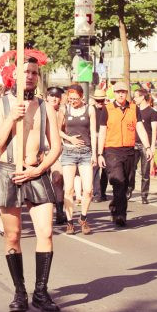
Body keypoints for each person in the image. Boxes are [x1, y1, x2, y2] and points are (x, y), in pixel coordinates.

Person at [0, 56, 61, 312]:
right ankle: (20, 292)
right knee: (13, 236)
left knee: (46, 233)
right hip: (8, 172)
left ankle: (41, 292)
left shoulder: (45, 106)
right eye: (25, 71)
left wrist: (39, 169)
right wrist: (10, 118)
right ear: (14, 76)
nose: (29, 76)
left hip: (36, 173)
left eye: (34, 72)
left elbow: (56, 146)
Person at [97, 81, 152, 227]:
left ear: (127, 93)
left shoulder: (134, 108)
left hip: (129, 151)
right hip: (112, 151)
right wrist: (99, 153)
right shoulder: (107, 109)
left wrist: (147, 147)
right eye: (118, 92)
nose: (121, 94)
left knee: (126, 184)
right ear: (114, 93)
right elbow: (102, 131)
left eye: (123, 92)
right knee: (118, 181)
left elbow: (140, 128)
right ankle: (121, 215)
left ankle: (115, 206)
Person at [59, 85, 96, 235]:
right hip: (69, 152)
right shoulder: (64, 109)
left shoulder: (90, 110)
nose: (72, 101)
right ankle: (69, 222)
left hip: (86, 152)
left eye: (75, 98)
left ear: (82, 97)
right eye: (70, 98)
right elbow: (57, 130)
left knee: (88, 190)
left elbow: (93, 132)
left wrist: (95, 153)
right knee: (69, 189)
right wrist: (70, 139)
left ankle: (83, 218)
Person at [130, 89, 157, 204]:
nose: (134, 99)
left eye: (136, 97)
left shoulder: (152, 112)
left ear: (142, 97)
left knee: (145, 172)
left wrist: (152, 147)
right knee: (130, 170)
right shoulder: (133, 110)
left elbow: (154, 130)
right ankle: (129, 189)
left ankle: (144, 195)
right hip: (133, 144)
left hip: (144, 146)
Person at [46, 86, 66, 224]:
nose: (54, 98)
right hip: (40, 149)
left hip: (57, 149)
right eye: (51, 96)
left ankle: (59, 211)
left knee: (58, 178)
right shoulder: (39, 108)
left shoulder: (63, 112)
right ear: (47, 96)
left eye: (57, 96)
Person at [91, 89, 109, 203]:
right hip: (94, 140)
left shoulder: (108, 109)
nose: (100, 102)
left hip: (107, 140)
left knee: (107, 168)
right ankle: (97, 193)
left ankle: (102, 191)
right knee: (95, 167)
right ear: (94, 100)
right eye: (98, 100)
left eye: (102, 100)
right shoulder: (91, 109)